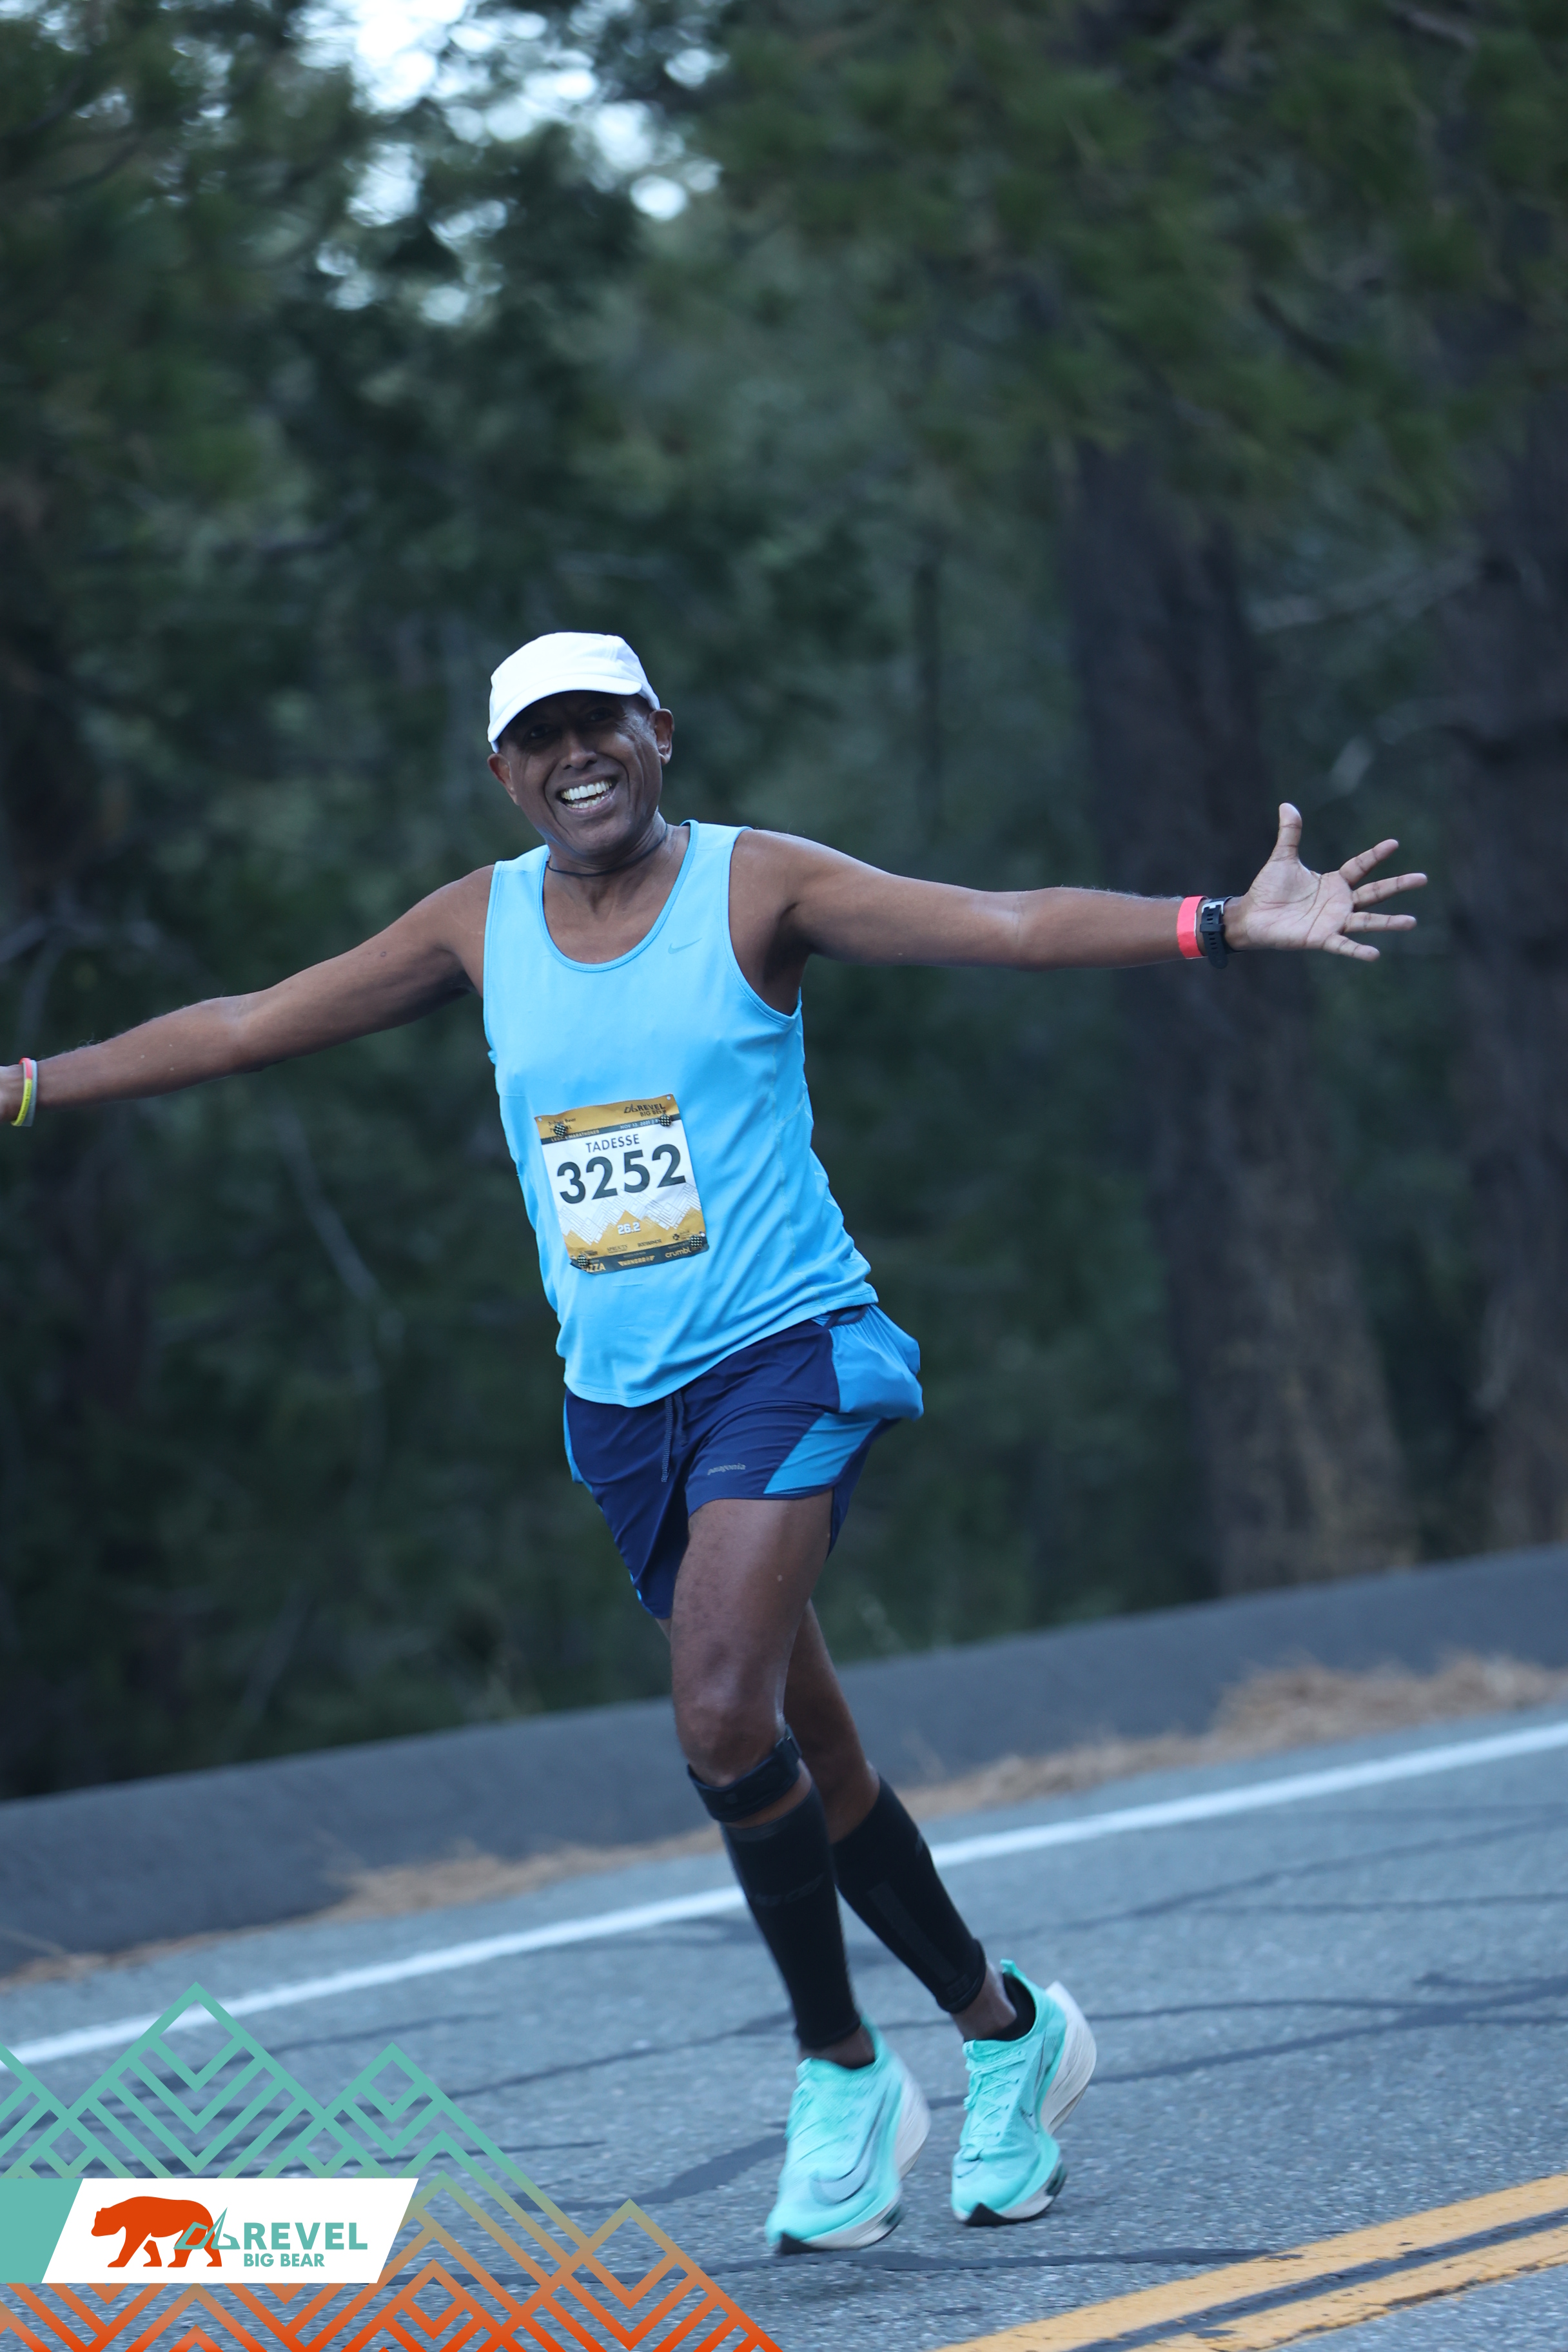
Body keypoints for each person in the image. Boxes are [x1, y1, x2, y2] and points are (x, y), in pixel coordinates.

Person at [2, 631, 1425, 2253]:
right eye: (539, 738)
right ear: (502, 771)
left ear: (658, 731)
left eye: (599, 724)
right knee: (808, 1759)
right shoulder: (477, 924)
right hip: (621, 1406)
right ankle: (1007, 2027)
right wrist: (27, 1083)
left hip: (785, 1354)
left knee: (716, 1713)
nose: (575, 757)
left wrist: (1219, 922)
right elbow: (249, 1023)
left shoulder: (758, 889)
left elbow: (1001, 925)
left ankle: (840, 2072)